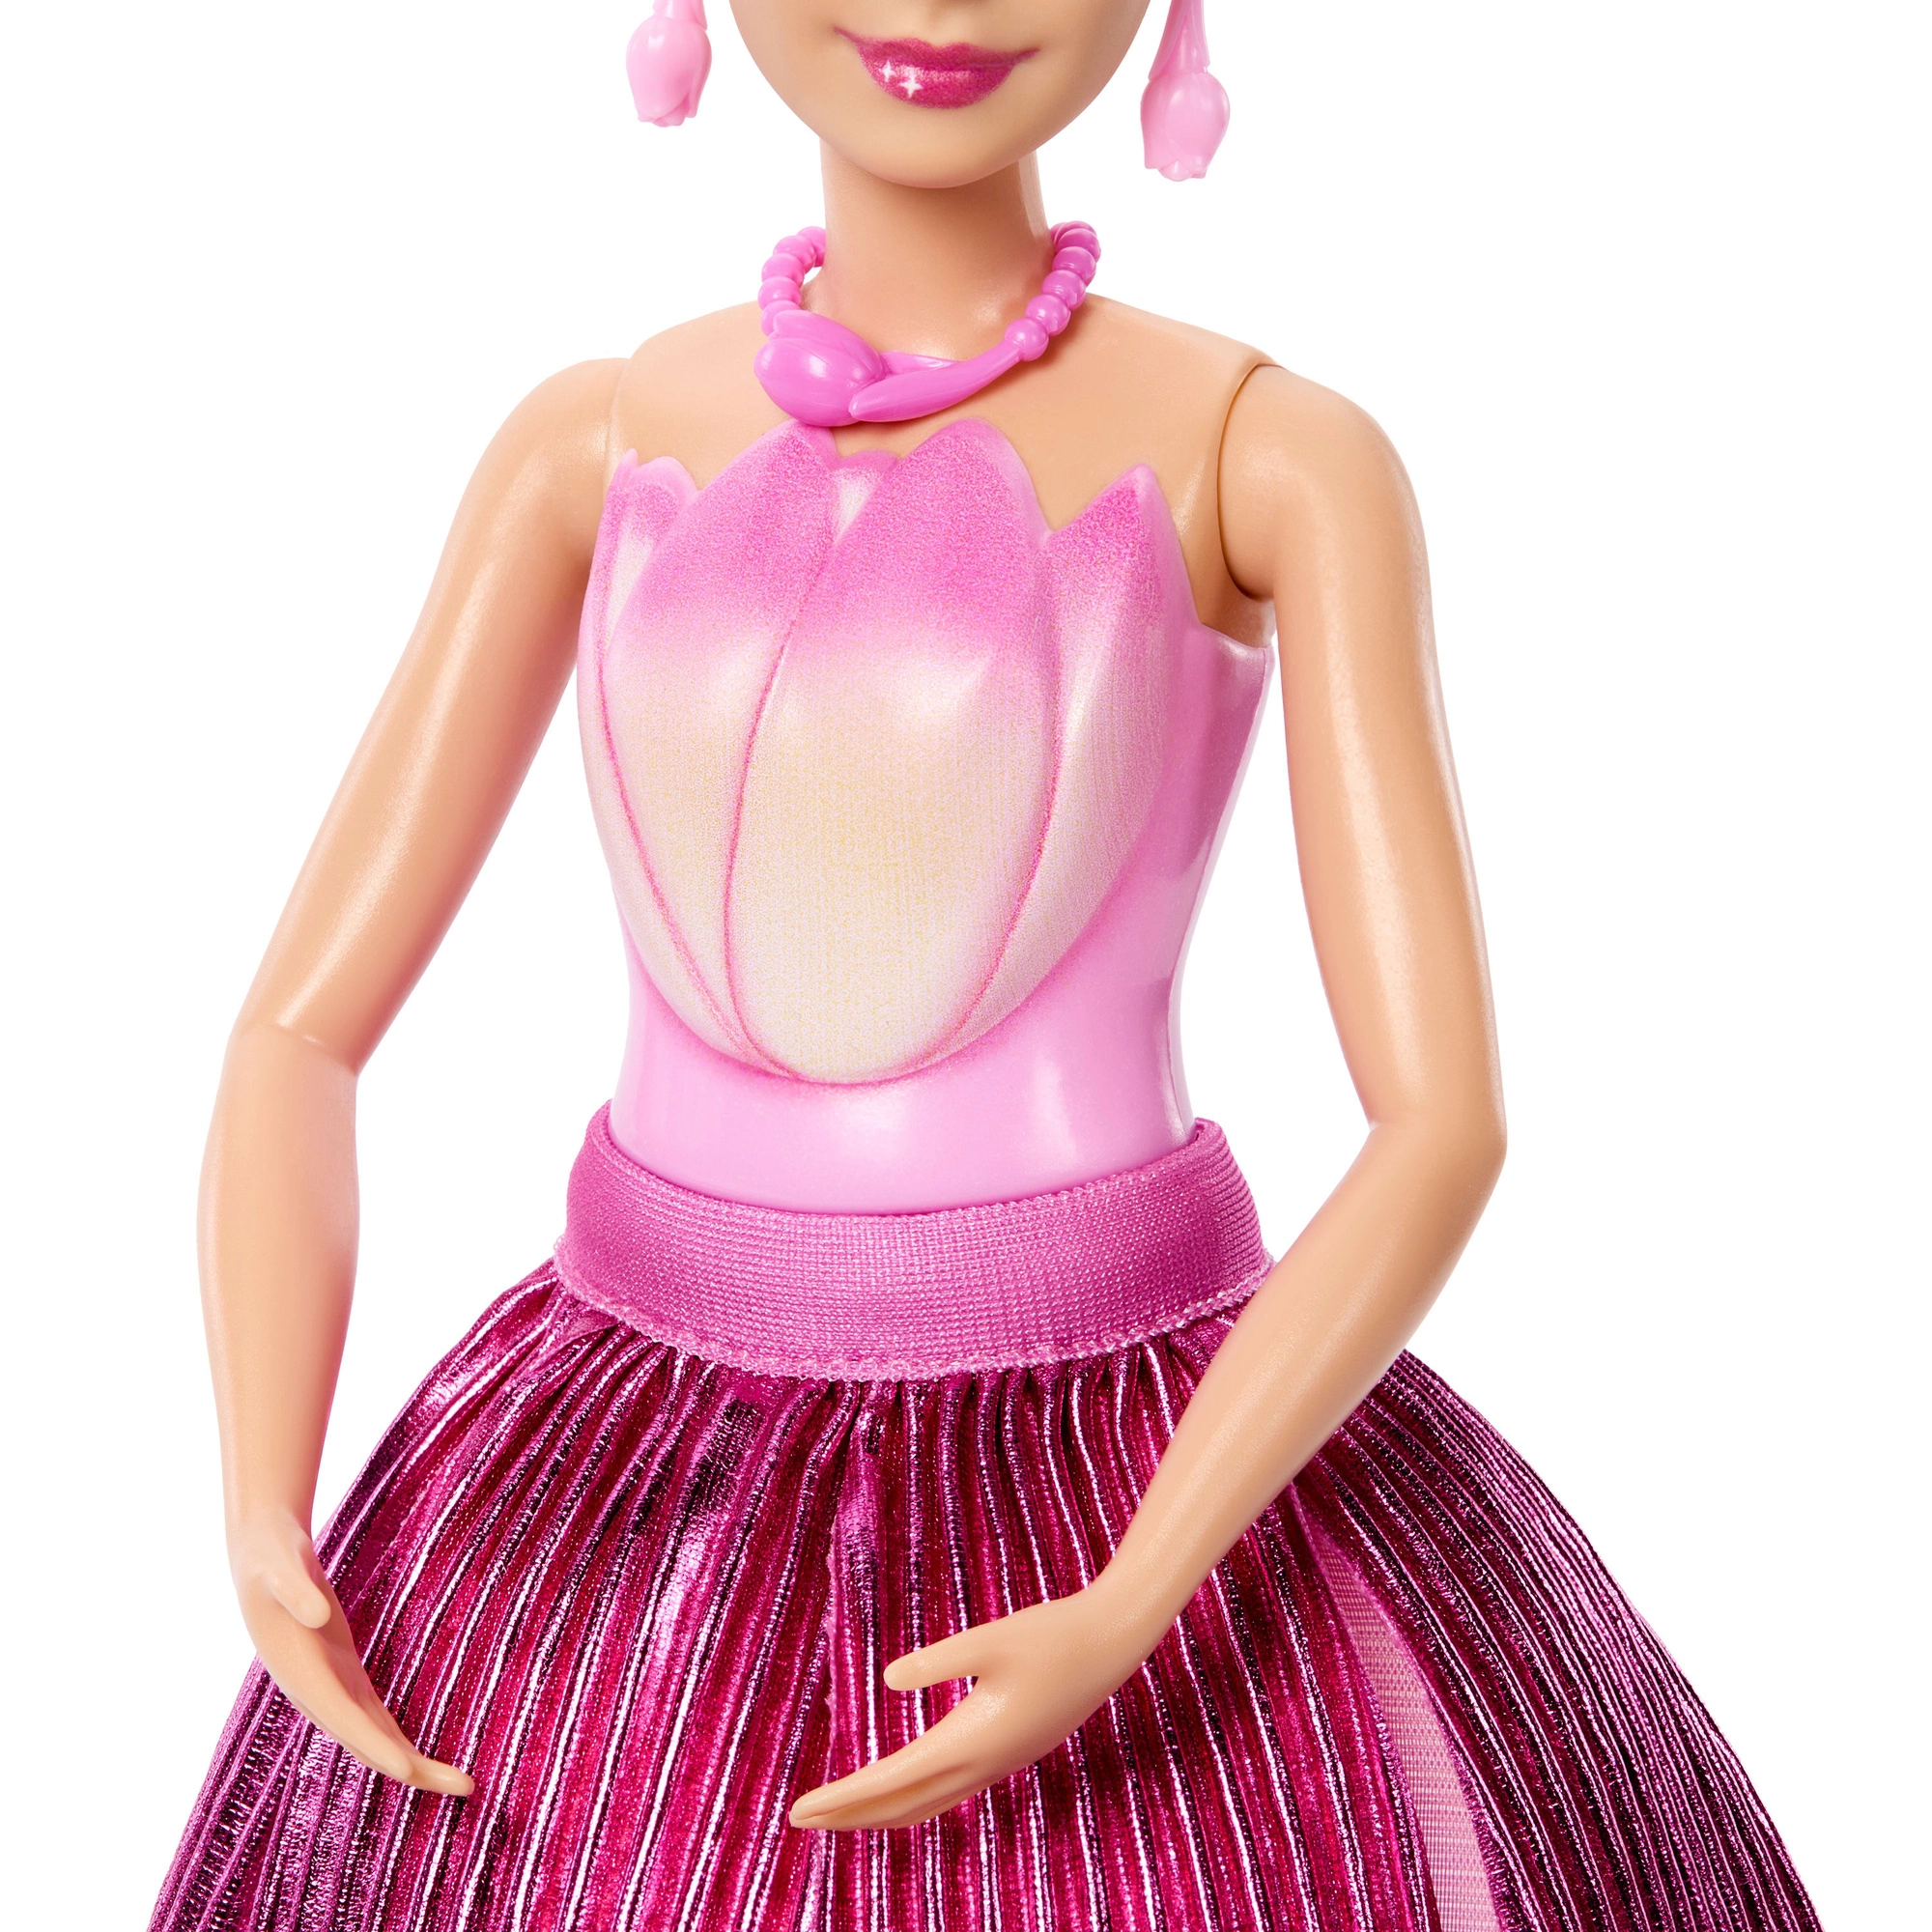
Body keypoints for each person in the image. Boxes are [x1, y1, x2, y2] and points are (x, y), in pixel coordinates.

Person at [152, 4, 1822, 1927]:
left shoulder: (1270, 456)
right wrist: (264, 1489)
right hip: (624, 1479)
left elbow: (1439, 1120)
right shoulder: (583, 443)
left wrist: (1139, 1588)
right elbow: (297, 1032)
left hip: (1126, 1446)